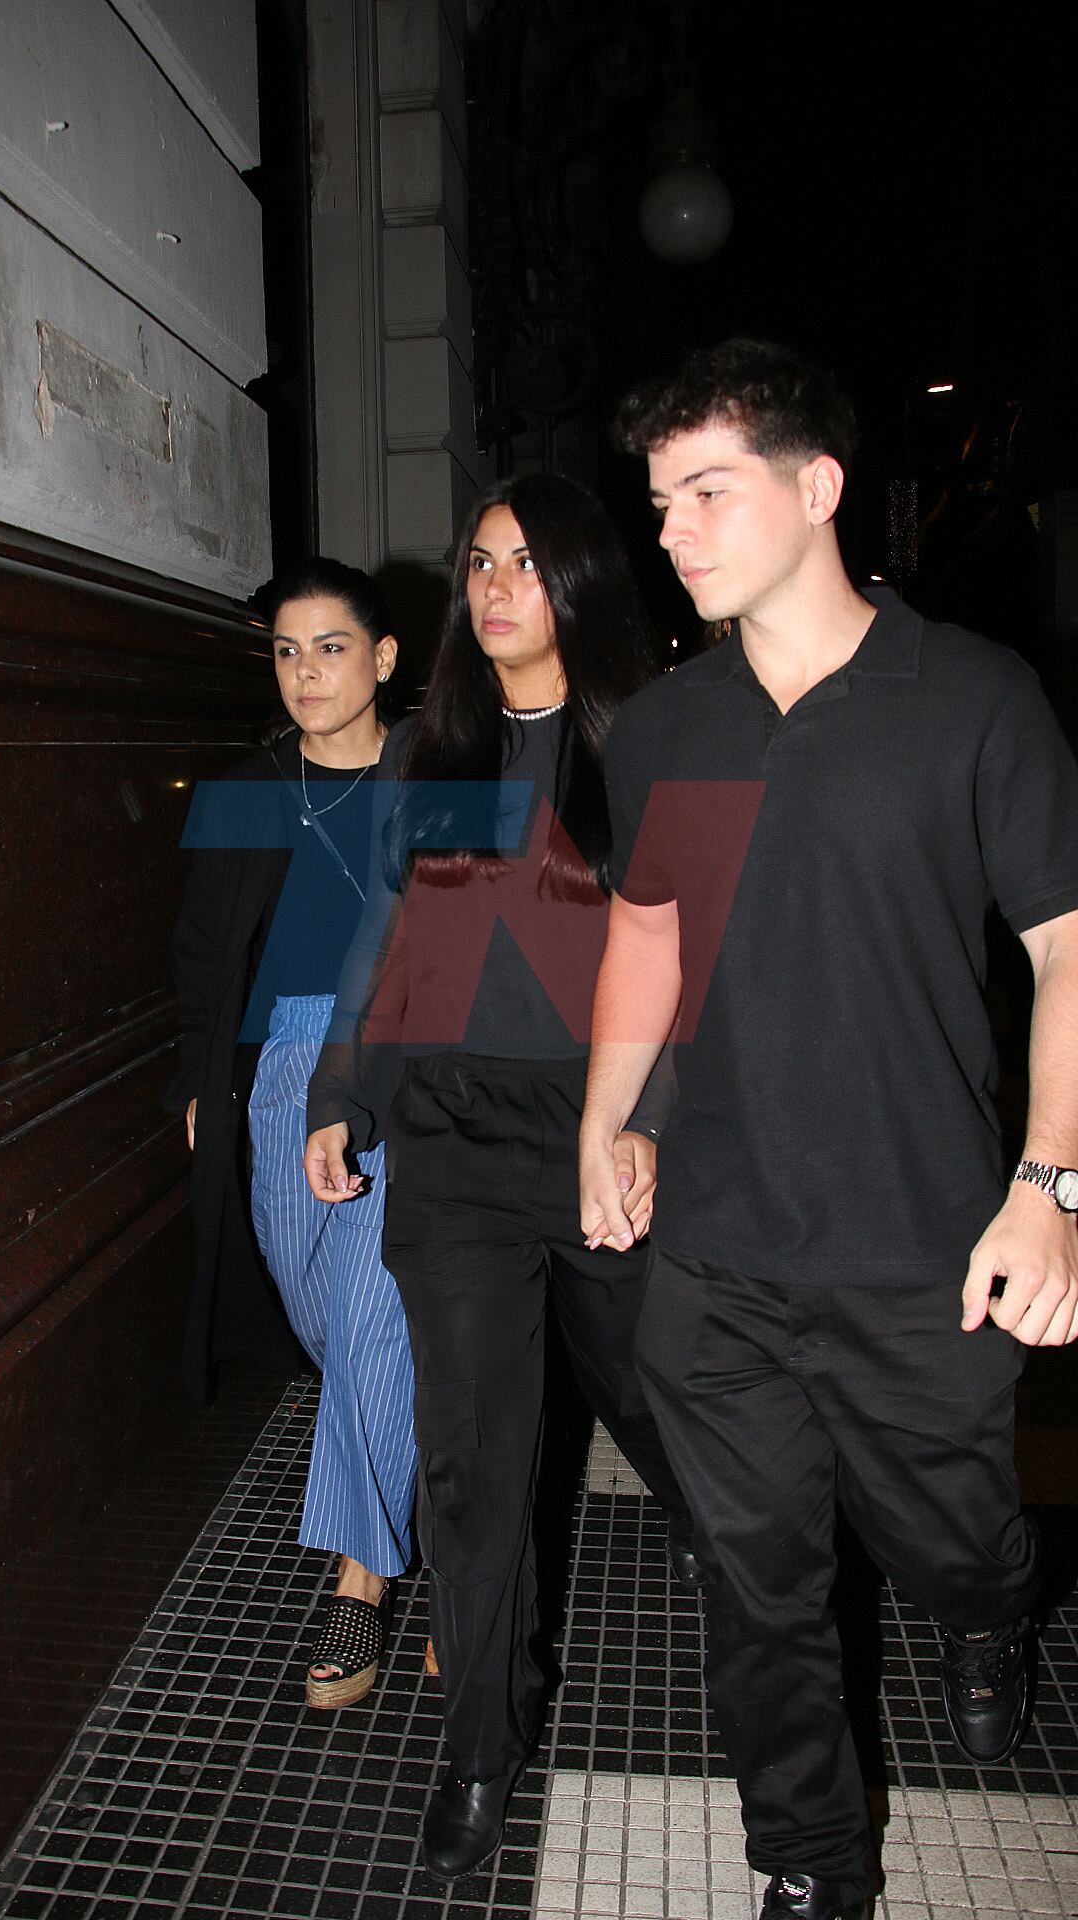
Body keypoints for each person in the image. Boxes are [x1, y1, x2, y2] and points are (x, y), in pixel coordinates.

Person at [579, 338, 1078, 1920]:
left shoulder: (974, 700)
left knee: (955, 1543)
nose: (675, 530)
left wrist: (1052, 1184)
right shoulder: (664, 730)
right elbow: (649, 939)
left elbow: (1068, 950)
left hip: (924, 1244)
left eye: (708, 490)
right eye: (661, 503)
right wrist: (614, 1123)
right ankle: (810, 1865)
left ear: (818, 489)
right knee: (757, 1584)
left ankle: (989, 1615)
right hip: (720, 1256)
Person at [303, 474, 695, 1881]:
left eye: (526, 563)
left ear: (582, 582)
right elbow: (378, 942)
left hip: (598, 1137)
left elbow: (693, 964)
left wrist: (649, 1120)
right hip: (459, 1144)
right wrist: (340, 1090)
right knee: (472, 1465)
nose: (493, 585)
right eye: (480, 561)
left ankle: (762, 1565)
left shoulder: (655, 743)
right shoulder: (434, 750)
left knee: (668, 1404)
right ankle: (479, 1742)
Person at [167, 558, 416, 1709]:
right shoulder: (243, 787)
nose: (305, 672)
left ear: (382, 659)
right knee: (317, 1307)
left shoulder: (440, 774)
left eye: (328, 647)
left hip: (402, 1064)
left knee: (372, 1310)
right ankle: (441, 1483)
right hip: (275, 1067)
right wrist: (194, 1082)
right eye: (284, 650)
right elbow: (200, 957)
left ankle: (359, 1588)